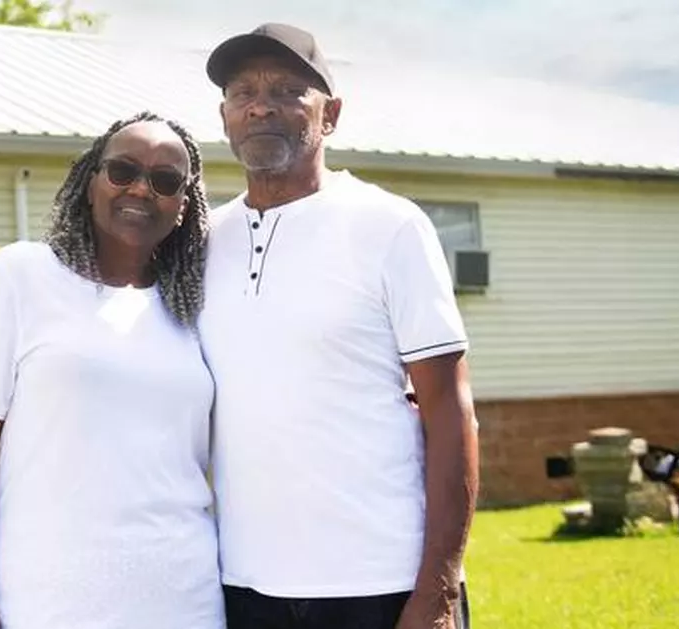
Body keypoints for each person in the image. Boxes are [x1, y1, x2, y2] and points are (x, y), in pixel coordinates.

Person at [197, 24, 479, 629]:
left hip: (383, 582)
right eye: (243, 91)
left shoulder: (391, 227)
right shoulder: (201, 242)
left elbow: (450, 412)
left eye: (289, 89)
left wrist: (438, 590)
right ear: (225, 117)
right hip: (245, 586)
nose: (262, 104)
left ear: (332, 114)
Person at [0, 112, 224, 629]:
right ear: (90, 182)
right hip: (46, 602)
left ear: (183, 207)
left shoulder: (195, 310)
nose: (141, 188)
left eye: (165, 181)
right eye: (123, 171)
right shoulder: (20, 276)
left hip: (185, 601)